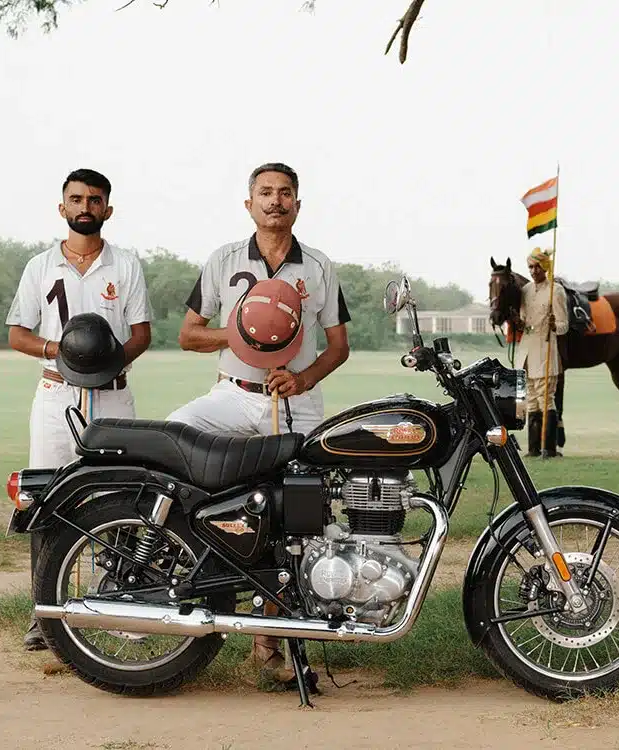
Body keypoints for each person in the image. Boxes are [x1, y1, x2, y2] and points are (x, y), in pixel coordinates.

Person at [167, 162, 351, 685]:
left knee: (297, 515)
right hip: (232, 394)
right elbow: (187, 334)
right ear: (248, 203)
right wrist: (246, 333)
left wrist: (303, 377)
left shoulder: (317, 266)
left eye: (285, 193)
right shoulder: (223, 259)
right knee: (172, 439)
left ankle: (274, 642)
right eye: (265, 193)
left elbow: (338, 347)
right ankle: (179, 555)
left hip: (293, 399)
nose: (275, 201)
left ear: (298, 203)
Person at [7, 168, 153, 651]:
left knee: (121, 498)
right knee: (47, 500)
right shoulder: (39, 266)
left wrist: (106, 360)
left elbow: (141, 334)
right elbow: (16, 333)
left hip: (112, 394)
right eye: (76, 199)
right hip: (55, 392)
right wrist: (64, 352)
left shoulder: (125, 265)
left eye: (94, 199)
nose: (84, 206)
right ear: (62, 207)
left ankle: (118, 605)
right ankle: (43, 616)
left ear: (107, 209)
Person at [520, 246, 569, 458]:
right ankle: (532, 449)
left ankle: (548, 448)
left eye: (536, 267)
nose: (533, 271)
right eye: (530, 267)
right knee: (530, 399)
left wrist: (554, 325)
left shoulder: (556, 290)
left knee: (545, 398)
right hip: (527, 350)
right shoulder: (525, 291)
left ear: (545, 267)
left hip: (546, 348)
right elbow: (522, 318)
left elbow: (564, 325)